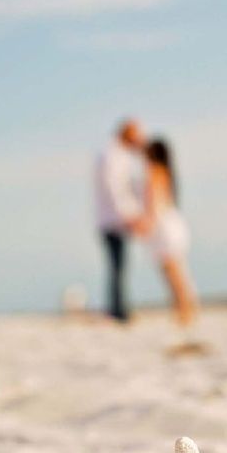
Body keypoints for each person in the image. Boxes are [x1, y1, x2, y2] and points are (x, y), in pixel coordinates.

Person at [141, 138, 198, 327]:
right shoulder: (167, 172)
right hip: (173, 223)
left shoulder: (153, 172)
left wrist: (146, 223)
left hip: (163, 228)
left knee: (173, 274)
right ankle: (185, 311)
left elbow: (153, 203)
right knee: (178, 272)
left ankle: (184, 313)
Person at [94, 119, 146, 321]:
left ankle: (118, 308)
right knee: (117, 267)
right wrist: (129, 216)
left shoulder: (117, 155)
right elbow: (114, 190)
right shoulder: (112, 156)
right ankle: (118, 311)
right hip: (113, 221)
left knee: (118, 266)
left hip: (113, 219)